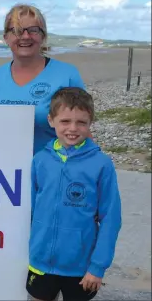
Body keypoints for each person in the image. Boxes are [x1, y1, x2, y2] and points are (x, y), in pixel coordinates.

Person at [27, 87, 122, 301]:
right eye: (65, 121)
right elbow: (29, 210)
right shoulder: (40, 160)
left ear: (91, 123)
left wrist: (97, 267)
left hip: (81, 267)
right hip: (40, 262)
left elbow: (111, 219)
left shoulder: (102, 165)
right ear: (51, 120)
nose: (73, 128)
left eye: (81, 122)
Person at [0, 4, 86, 155]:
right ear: (6, 38)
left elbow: (82, 127)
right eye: (17, 31)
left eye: (33, 30)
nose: (26, 36)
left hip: (54, 170)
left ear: (43, 36)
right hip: (6, 172)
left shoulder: (67, 75)